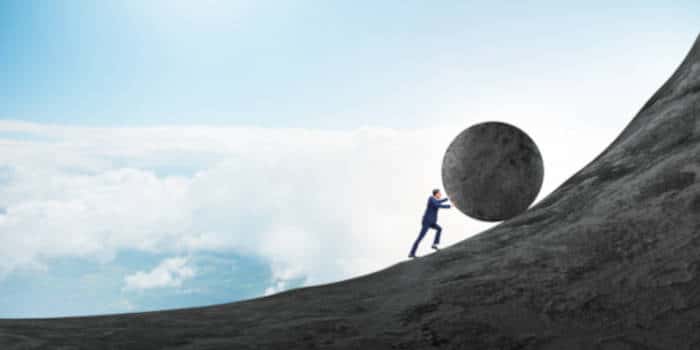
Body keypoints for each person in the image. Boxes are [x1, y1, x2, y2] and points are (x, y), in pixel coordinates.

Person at [408, 188, 451, 258]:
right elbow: (438, 205)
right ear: (436, 194)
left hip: (432, 222)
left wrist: (448, 198)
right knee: (420, 237)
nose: (440, 195)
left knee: (439, 229)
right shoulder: (431, 198)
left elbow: (440, 201)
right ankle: (411, 253)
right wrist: (449, 206)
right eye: (439, 193)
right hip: (427, 221)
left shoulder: (435, 200)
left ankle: (434, 244)